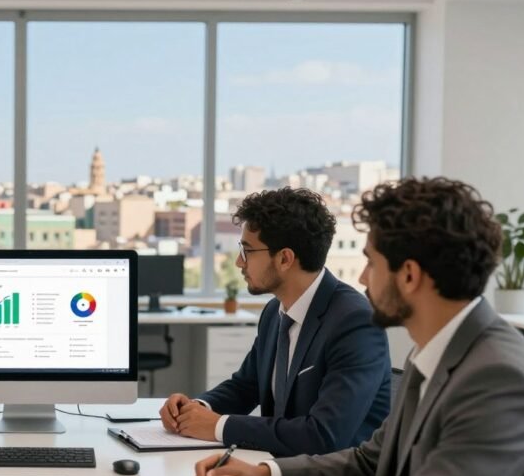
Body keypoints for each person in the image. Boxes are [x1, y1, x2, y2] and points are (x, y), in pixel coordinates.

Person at [195, 177, 524, 476]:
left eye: (371, 263)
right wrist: (264, 474)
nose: (361, 279)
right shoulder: (436, 351)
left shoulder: (497, 378)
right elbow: (371, 462)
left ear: (409, 275)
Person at [160, 188, 391, 456]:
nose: (238, 262)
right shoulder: (274, 312)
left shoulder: (354, 322)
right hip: (279, 468)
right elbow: (246, 386)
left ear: (284, 259)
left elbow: (323, 435)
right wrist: (197, 408)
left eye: (247, 251)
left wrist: (218, 426)